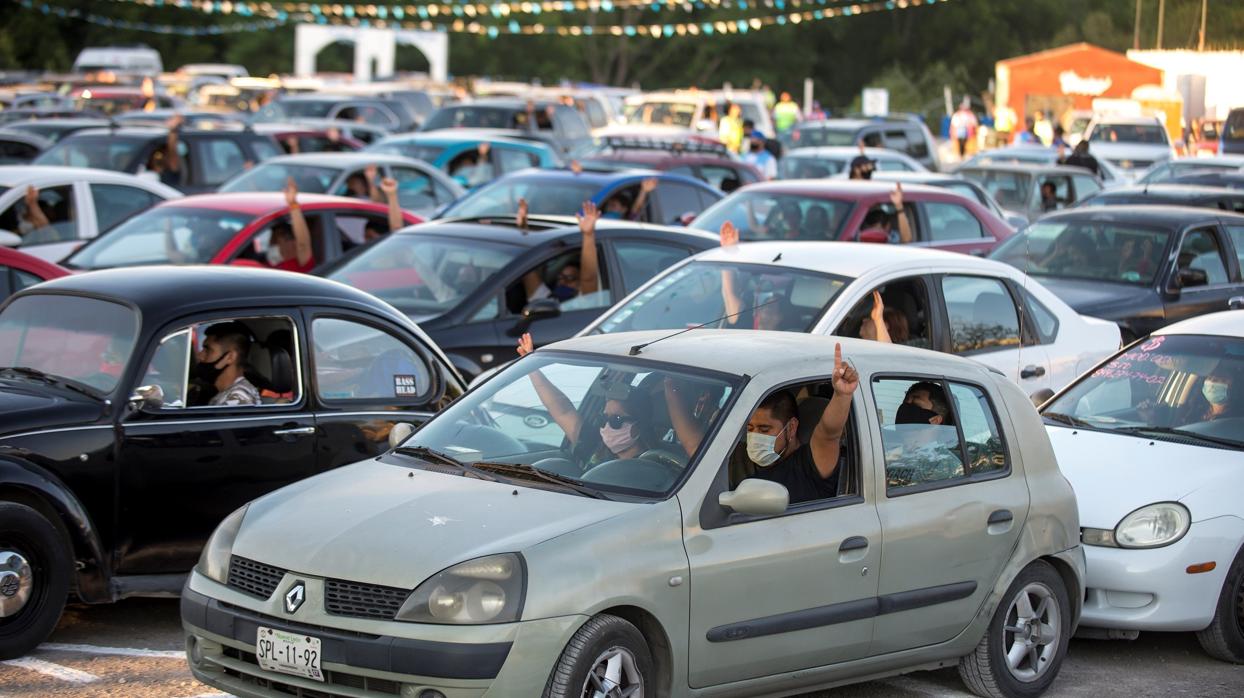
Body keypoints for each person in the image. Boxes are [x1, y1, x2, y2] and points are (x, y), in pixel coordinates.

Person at [515, 333, 706, 463]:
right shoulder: (592, 445)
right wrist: (532, 367)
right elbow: (562, 408)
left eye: (616, 420)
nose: (605, 427)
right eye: (602, 419)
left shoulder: (660, 462)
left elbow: (692, 445)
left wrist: (671, 380)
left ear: (639, 425)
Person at [738, 343, 858, 505]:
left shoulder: (808, 465)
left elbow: (829, 434)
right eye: (750, 429)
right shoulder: (739, 458)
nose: (755, 437)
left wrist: (842, 395)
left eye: (764, 429)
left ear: (791, 427)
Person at [522, 200, 602, 304]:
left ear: (579, 284)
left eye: (570, 278)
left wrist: (588, 235)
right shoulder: (544, 301)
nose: (563, 282)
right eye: (560, 278)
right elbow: (527, 268)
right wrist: (523, 228)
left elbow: (589, 278)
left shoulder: (584, 304)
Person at [195, 322, 259, 407]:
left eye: (208, 350)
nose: (200, 356)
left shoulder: (237, 399)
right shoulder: (224, 392)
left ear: (230, 357)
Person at [269, 178, 315, 273]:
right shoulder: (274, 265)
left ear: (293, 242)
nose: (277, 246)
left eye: (283, 239)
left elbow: (303, 244)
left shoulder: (302, 264)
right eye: (275, 241)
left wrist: (293, 205)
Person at [144, 114, 184, 187]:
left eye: (161, 155)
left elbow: (172, 150)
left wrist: (173, 131)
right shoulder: (147, 172)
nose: (158, 157)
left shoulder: (172, 169)